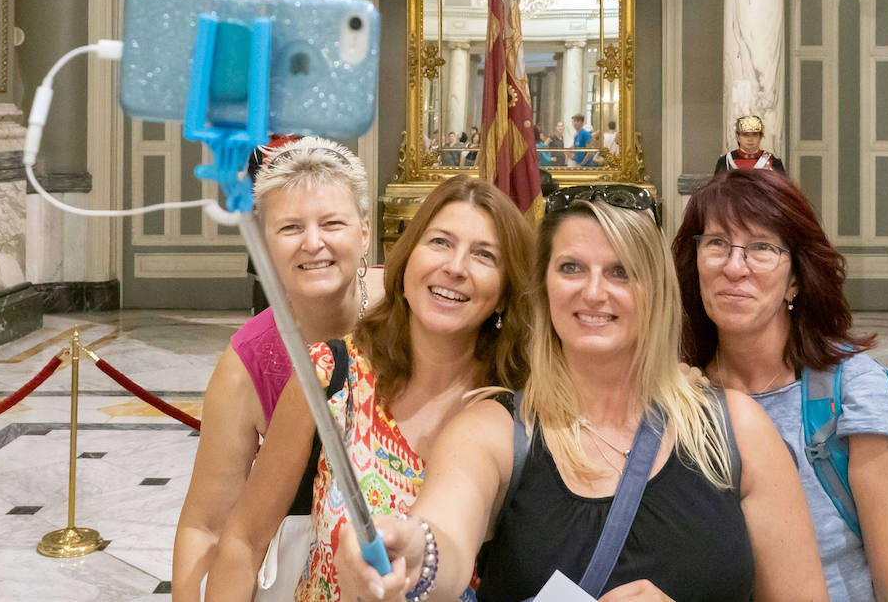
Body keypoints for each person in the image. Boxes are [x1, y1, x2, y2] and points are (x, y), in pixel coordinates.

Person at [337, 185, 828, 602]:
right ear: (543, 286)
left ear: (655, 290)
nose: (594, 292)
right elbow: (445, 527)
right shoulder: (495, 430)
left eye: (620, 272)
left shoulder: (735, 430)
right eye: (571, 268)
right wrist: (415, 549)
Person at [204, 175, 533, 602]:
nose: (455, 267)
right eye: (439, 242)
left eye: (484, 255)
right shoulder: (330, 375)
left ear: (506, 292)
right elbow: (245, 541)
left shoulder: (516, 408)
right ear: (406, 258)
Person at [673, 169, 888, 602]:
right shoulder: (676, 390)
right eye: (717, 243)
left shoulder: (851, 390)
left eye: (761, 248)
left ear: (795, 278)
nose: (735, 267)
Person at [172, 138, 382, 602]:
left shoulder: (409, 310)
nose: (313, 242)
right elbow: (205, 525)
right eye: (290, 227)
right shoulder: (246, 366)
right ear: (264, 245)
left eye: (332, 223)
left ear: (365, 232)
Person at [714, 114, 786, 173]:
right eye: (745, 135)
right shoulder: (726, 161)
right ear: (738, 137)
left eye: (754, 134)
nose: (750, 139)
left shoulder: (774, 161)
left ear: (760, 137)